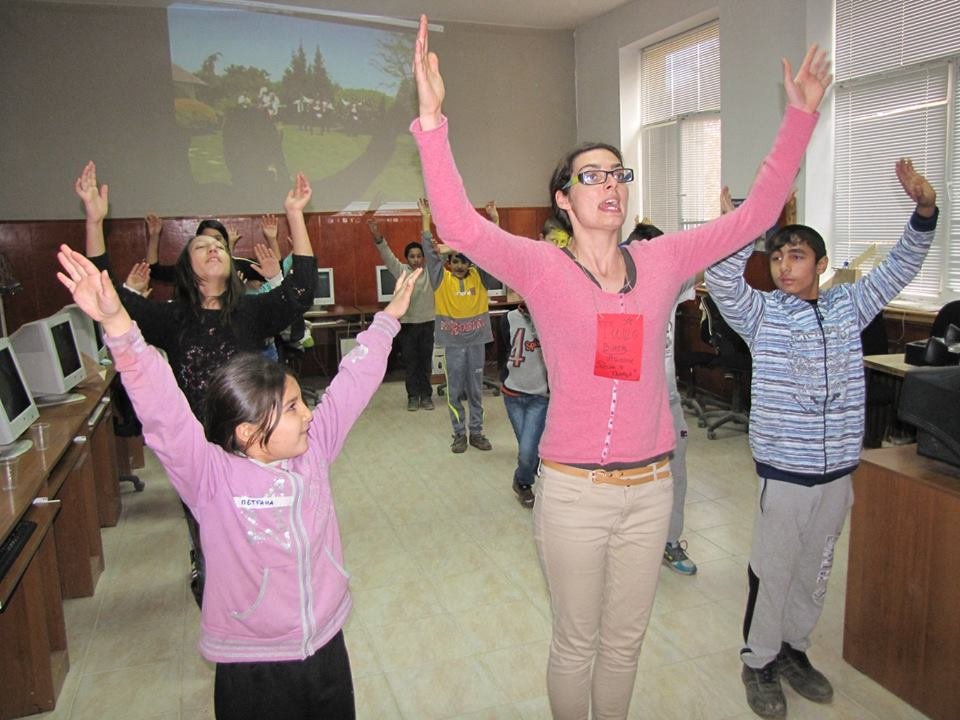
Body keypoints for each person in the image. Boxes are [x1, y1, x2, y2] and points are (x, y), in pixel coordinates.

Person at [411, 15, 831, 719]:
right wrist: (432, 120)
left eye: (618, 173)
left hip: (651, 489)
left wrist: (800, 120)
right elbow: (456, 225)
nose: (610, 185)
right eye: (591, 176)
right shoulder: (542, 266)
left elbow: (756, 214)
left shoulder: (661, 260)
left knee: (627, 642)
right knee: (577, 641)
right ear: (564, 200)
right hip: (574, 494)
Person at [55, 243, 421, 720]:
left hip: (327, 646)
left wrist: (389, 317)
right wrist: (119, 328)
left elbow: (352, 382)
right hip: (252, 663)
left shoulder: (313, 449)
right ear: (248, 432)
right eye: (292, 408)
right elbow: (163, 408)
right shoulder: (210, 476)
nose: (309, 414)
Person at [705, 161, 938, 719]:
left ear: (822, 265)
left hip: (838, 472)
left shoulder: (847, 305)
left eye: (797, 256)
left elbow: (900, 266)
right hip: (785, 472)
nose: (785, 266)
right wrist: (748, 223)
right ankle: (758, 660)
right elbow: (720, 280)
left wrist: (925, 212)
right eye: (778, 256)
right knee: (774, 567)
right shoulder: (762, 314)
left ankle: (793, 650)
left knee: (815, 569)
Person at [75, 162, 317, 606]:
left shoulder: (253, 312)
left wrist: (296, 215)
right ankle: (212, 586)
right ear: (186, 266)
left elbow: (302, 290)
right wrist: (94, 221)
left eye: (218, 246)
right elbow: (107, 294)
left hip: (253, 445)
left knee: (257, 536)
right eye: (200, 245)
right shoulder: (171, 318)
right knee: (210, 543)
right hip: (199, 454)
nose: (212, 249)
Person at [623, 221, 697, 576]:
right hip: (627, 406)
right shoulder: (612, 288)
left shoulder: (671, 281)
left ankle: (669, 541)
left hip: (667, 402)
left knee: (675, 475)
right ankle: (629, 548)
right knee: (628, 481)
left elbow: (703, 254)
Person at [419, 197, 495, 453]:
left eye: (464, 260)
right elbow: (430, 254)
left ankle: (476, 432)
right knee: (455, 391)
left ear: (470, 262)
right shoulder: (442, 279)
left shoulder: (480, 277)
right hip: (453, 345)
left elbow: (489, 249)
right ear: (449, 263)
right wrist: (426, 219)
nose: (460, 265)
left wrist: (494, 221)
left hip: (476, 343)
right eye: (455, 260)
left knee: (475, 390)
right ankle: (458, 433)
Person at [368, 216, 436, 411]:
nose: (416, 259)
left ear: (423, 258)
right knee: (411, 362)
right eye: (412, 256)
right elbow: (387, 255)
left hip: (427, 323)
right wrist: (378, 238)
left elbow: (436, 254)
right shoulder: (402, 272)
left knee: (425, 362)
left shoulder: (430, 272)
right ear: (407, 259)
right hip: (406, 325)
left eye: (418, 256)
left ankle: (426, 396)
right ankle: (413, 396)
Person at [500, 300, 548, 507]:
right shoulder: (508, 318)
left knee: (529, 450)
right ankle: (524, 479)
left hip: (540, 397)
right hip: (513, 395)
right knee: (527, 450)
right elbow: (504, 351)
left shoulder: (551, 318)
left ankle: (522, 481)